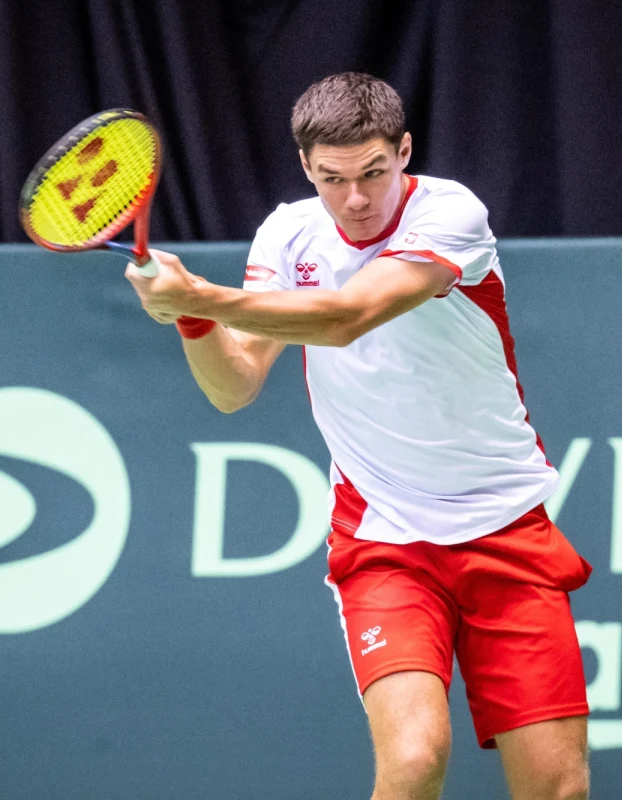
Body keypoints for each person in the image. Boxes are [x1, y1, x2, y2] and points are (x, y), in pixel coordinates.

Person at [124, 72, 592, 800]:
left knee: (557, 789)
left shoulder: (450, 215)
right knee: (411, 761)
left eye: (375, 172)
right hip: (385, 539)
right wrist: (189, 321)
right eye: (333, 179)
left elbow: (347, 316)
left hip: (505, 530)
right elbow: (233, 385)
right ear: (306, 168)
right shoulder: (288, 233)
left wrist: (201, 295)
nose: (357, 199)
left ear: (404, 151)